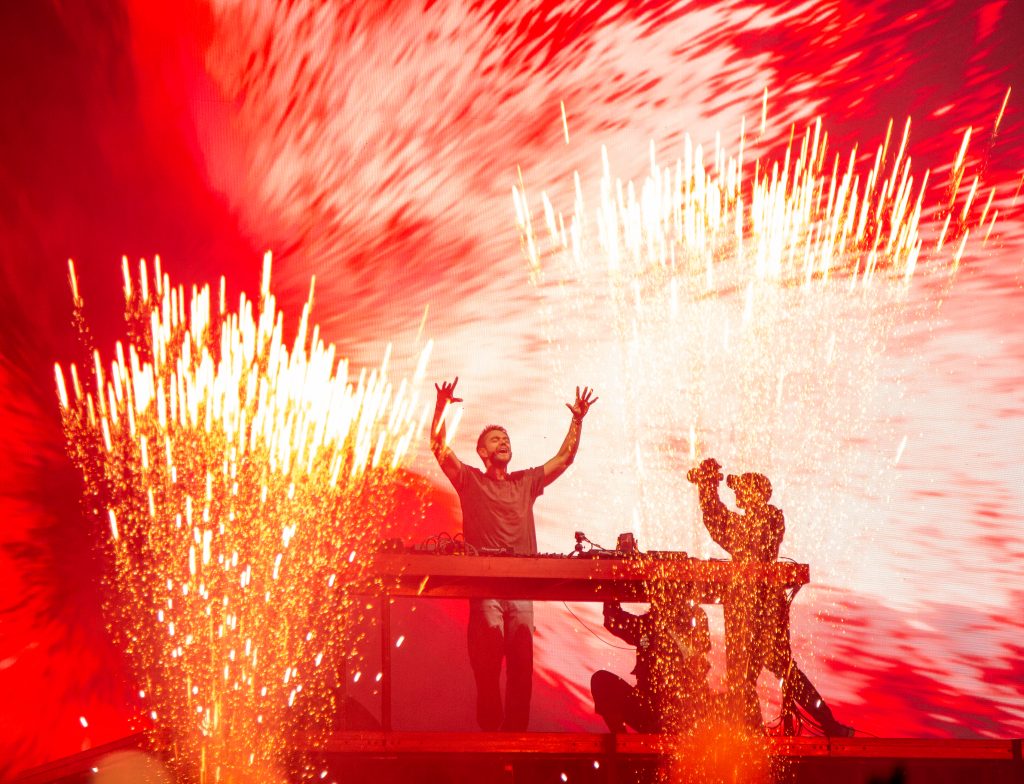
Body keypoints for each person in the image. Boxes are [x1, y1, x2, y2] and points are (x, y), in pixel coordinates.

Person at [431, 377, 597, 731]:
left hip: (521, 590)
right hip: (487, 589)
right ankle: (492, 752)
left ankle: (517, 754)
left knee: (522, 675)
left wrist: (577, 420)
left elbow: (564, 458)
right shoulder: (471, 480)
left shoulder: (526, 482)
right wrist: (442, 406)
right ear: (482, 452)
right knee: (488, 674)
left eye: (506, 438)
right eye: (495, 439)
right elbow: (439, 447)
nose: (503, 441)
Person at [687, 458, 853, 737]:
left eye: (742, 491)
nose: (738, 495)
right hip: (757, 606)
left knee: (771, 674)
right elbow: (721, 524)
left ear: (754, 494)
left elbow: (724, 526)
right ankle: (758, 734)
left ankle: (821, 725)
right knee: (754, 676)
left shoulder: (770, 518)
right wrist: (709, 488)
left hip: (759, 607)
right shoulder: (762, 520)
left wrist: (709, 488)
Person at [591, 593, 713, 734]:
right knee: (602, 681)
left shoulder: (691, 631)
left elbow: (703, 645)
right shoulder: (646, 627)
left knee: (712, 703)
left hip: (681, 716)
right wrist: (612, 589)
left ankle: (684, 736)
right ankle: (622, 743)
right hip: (648, 711)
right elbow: (613, 619)